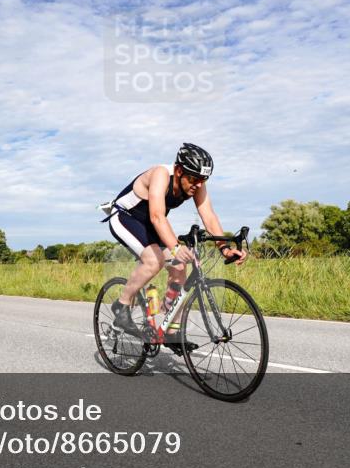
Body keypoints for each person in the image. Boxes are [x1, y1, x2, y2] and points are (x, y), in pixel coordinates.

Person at [102, 143, 247, 350]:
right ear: (179, 170)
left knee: (179, 267)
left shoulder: (197, 184)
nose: (198, 184)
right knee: (154, 261)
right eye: (194, 179)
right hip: (126, 217)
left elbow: (208, 216)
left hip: (150, 225)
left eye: (203, 179)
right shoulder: (161, 174)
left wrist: (224, 248)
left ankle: (171, 332)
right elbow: (157, 216)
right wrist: (176, 248)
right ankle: (122, 305)